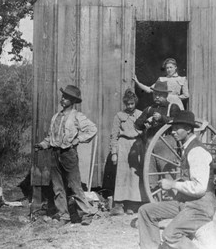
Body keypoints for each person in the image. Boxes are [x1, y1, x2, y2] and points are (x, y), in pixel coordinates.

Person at [138, 110, 216, 249]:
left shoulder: (197, 151)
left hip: (200, 206)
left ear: (188, 129)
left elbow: (199, 188)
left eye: (176, 128)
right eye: (172, 128)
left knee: (170, 235)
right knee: (145, 211)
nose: (173, 132)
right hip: (185, 203)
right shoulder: (187, 148)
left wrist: (173, 184)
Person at [34, 85, 98, 226]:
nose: (63, 99)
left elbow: (92, 129)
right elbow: (51, 137)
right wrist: (42, 145)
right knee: (57, 187)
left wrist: (78, 139)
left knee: (75, 186)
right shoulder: (56, 117)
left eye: (67, 98)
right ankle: (63, 215)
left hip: (68, 154)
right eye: (63, 96)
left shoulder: (77, 116)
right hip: (55, 154)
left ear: (73, 101)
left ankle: (86, 213)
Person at [135, 80, 181, 195]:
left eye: (160, 95)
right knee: (151, 174)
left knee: (167, 171)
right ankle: (154, 200)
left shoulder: (173, 107)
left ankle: (170, 199)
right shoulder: (149, 109)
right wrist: (145, 122)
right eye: (155, 94)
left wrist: (162, 118)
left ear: (166, 95)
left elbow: (178, 122)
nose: (157, 97)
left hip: (167, 144)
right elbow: (137, 123)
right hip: (150, 144)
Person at [109, 89, 143, 215]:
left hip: (136, 145)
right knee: (122, 175)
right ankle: (119, 204)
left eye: (132, 104)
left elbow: (144, 132)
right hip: (122, 146)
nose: (129, 106)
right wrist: (114, 153)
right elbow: (114, 135)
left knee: (134, 175)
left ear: (135, 103)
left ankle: (133, 205)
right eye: (127, 104)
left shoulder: (141, 114)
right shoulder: (119, 116)